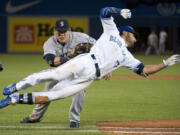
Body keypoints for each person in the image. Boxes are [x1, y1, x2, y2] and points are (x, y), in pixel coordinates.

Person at [0, 6, 180, 121]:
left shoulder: (128, 56)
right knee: (52, 75)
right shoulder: (113, 31)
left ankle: (13, 99)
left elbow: (144, 70)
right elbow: (103, 12)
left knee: (55, 95)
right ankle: (16, 86)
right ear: (125, 33)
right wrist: (119, 11)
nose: (135, 37)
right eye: (133, 34)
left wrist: (164, 63)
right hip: (85, 62)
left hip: (90, 77)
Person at [20, 19, 96, 128]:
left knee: (79, 91)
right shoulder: (49, 43)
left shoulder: (81, 37)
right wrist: (71, 56)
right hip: (58, 71)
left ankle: (74, 120)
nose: (62, 34)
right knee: (47, 92)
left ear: (69, 31)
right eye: (59, 32)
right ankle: (36, 116)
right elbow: (51, 61)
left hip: (76, 71)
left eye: (64, 31)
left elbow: (100, 48)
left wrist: (105, 66)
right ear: (55, 32)